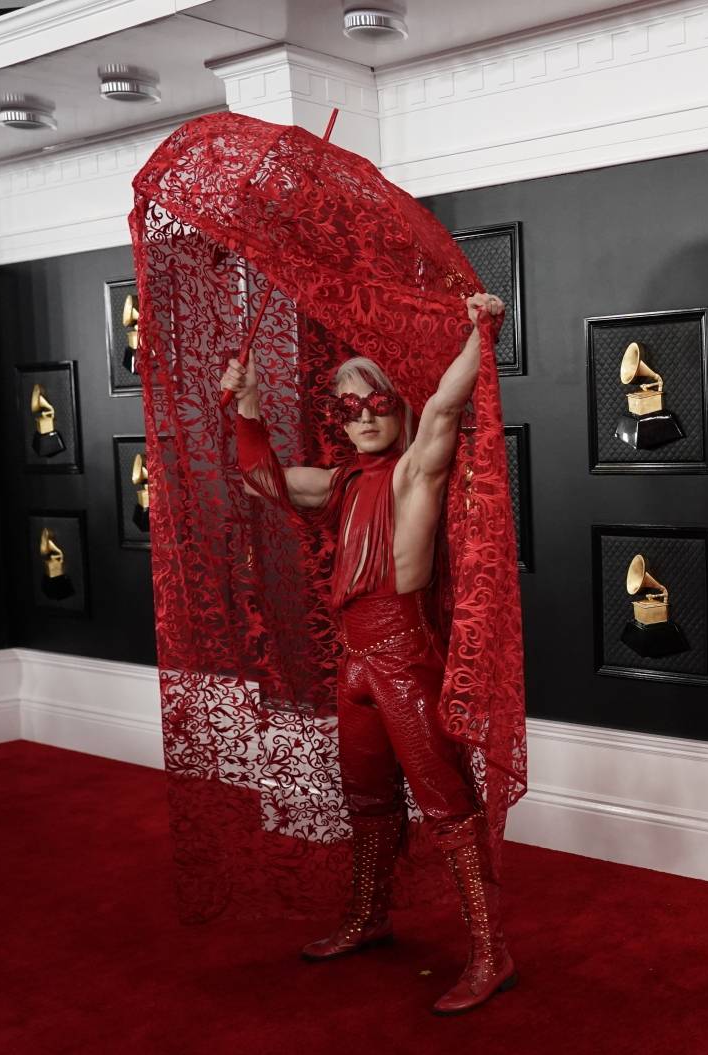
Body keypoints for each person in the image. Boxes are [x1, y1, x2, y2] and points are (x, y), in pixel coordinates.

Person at [220, 292, 514, 1015]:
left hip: (404, 658)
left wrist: (482, 330)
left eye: (375, 400)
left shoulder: (416, 470)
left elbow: (446, 406)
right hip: (352, 662)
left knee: (447, 806)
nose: (362, 416)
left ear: (396, 402)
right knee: (368, 802)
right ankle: (368, 915)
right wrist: (248, 408)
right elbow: (263, 481)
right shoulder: (342, 480)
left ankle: (490, 949)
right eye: (347, 407)